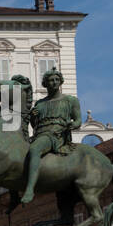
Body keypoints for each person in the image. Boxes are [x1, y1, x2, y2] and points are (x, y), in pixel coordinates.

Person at [21, 70, 82, 204]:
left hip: (56, 135)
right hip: (40, 134)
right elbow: (34, 125)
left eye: (56, 80)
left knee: (35, 149)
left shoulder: (70, 100)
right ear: (45, 84)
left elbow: (78, 121)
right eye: (51, 80)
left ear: (60, 82)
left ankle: (30, 189)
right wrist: (33, 117)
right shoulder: (40, 104)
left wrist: (70, 124)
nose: (54, 82)